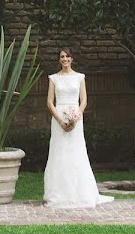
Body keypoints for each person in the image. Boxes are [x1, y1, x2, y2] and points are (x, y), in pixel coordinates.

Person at [43, 48, 114, 208]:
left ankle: (80, 192)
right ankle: (58, 193)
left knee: (76, 152)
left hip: (76, 117)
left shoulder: (80, 77)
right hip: (59, 117)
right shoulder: (53, 78)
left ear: (72, 58)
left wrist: (76, 117)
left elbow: (84, 100)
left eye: (67, 56)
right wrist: (61, 120)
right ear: (59, 59)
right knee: (59, 152)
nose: (65, 59)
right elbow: (49, 102)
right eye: (62, 56)